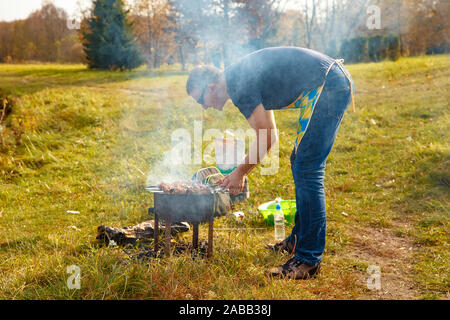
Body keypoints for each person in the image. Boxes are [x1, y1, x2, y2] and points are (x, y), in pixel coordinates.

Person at [186, 46, 354, 280]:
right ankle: (298, 240)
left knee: (308, 169)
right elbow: (270, 133)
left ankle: (308, 261)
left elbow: (266, 136)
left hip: (328, 85)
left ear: (211, 87)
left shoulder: (238, 84)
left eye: (200, 100)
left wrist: (240, 172)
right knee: (300, 162)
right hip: (326, 83)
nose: (203, 107)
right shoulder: (238, 77)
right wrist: (240, 172)